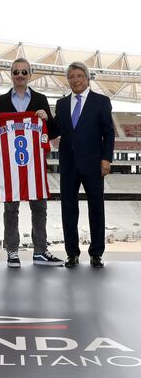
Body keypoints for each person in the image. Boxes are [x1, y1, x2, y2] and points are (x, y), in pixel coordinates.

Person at [0, 57, 63, 268]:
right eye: (16, 72)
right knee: (10, 210)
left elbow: (55, 130)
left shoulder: (40, 99)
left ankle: (40, 251)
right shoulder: (1, 101)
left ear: (30, 75)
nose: (20, 76)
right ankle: (12, 251)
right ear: (10, 75)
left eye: (24, 72)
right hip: (10, 168)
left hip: (34, 167)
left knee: (39, 209)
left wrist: (46, 118)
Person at [55, 61, 115, 268]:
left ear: (87, 78)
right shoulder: (62, 104)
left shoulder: (101, 101)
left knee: (96, 209)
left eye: (79, 75)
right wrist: (41, 119)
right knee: (68, 210)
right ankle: (72, 253)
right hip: (69, 166)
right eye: (72, 76)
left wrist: (106, 159)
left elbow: (108, 132)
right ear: (68, 80)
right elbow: (54, 130)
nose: (76, 79)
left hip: (93, 165)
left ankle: (96, 253)